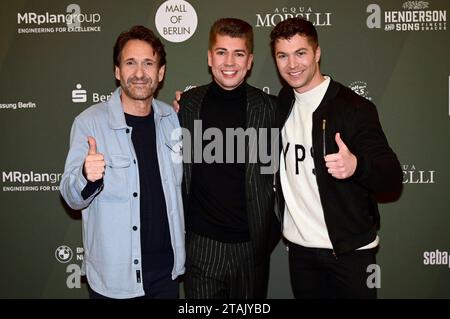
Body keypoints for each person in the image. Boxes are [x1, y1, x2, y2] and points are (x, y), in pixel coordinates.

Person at [271, 18, 403, 299]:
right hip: (301, 253)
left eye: (301, 53)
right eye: (283, 55)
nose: (292, 65)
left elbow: (391, 174)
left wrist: (357, 165)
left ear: (317, 53)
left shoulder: (354, 108)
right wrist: (189, 103)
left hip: (350, 254)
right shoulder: (282, 103)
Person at [60, 25, 185, 299]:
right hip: (114, 280)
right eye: (130, 63)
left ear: (160, 72)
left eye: (148, 63)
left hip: (166, 274)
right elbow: (71, 195)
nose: (139, 73)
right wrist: (85, 174)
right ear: (117, 71)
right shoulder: (89, 123)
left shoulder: (172, 119)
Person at [177, 18, 280, 299]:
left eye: (239, 53)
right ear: (210, 58)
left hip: (250, 248)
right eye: (221, 52)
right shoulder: (187, 105)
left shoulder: (269, 109)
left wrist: (268, 233)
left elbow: (280, 175)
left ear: (250, 61)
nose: (229, 62)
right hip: (201, 247)